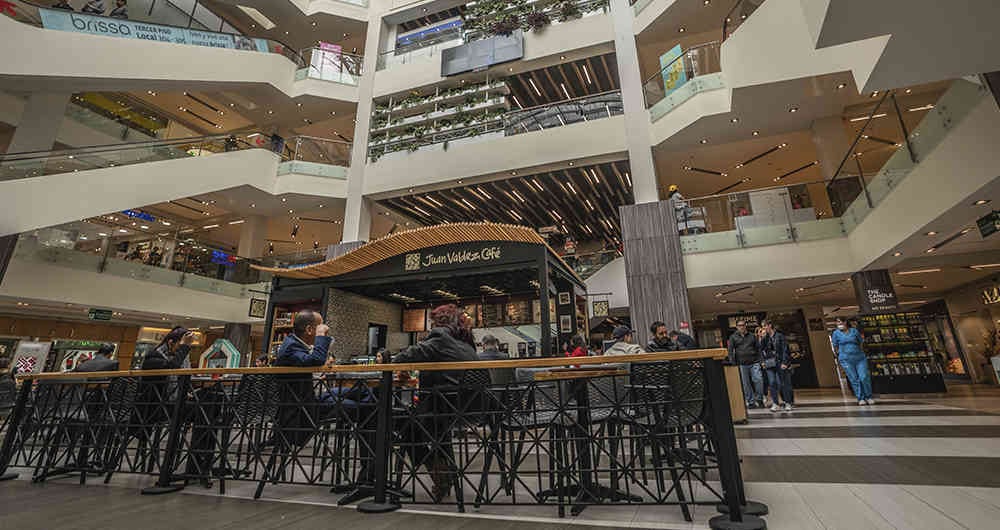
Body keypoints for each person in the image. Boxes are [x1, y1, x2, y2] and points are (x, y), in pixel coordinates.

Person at [382, 304, 480, 501]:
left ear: (439, 322)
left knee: (405, 428)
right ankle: (443, 471)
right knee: (432, 429)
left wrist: (384, 357)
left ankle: (440, 473)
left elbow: (404, 357)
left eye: (433, 321)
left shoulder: (440, 337)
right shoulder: (467, 342)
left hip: (444, 408)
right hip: (471, 409)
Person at [831, 317, 874, 406]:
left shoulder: (854, 331)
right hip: (846, 359)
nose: (838, 324)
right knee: (854, 379)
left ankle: (868, 396)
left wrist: (860, 352)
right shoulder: (835, 333)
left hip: (859, 358)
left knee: (864, 376)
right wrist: (840, 356)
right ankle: (860, 398)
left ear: (845, 322)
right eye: (837, 322)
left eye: (840, 321)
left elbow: (860, 342)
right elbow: (835, 346)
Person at [728, 321, 764, 408]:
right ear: (736, 327)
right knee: (746, 384)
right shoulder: (733, 337)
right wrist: (732, 362)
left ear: (746, 326)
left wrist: (761, 360)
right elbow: (730, 350)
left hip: (754, 362)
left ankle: (759, 399)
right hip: (741, 364)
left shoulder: (752, 336)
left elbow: (758, 349)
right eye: (739, 326)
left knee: (758, 380)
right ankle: (751, 401)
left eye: (743, 325)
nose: (741, 327)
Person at [760, 320, 793, 412]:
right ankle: (775, 403)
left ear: (770, 325)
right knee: (772, 382)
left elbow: (785, 350)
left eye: (765, 326)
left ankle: (788, 403)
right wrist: (762, 361)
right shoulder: (764, 338)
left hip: (780, 363)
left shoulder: (780, 336)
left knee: (783, 383)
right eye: (763, 327)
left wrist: (784, 363)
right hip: (769, 364)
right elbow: (760, 351)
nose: (764, 328)